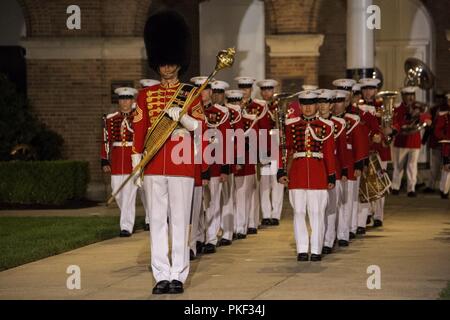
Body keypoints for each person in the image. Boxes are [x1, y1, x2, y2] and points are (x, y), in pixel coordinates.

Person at [132, 10, 203, 295]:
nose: (167, 67)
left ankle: (179, 275)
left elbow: (200, 126)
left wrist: (183, 118)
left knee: (179, 219)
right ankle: (161, 274)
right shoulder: (145, 96)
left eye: (172, 62)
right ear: (156, 63)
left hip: (180, 161)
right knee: (158, 221)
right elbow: (139, 130)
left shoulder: (191, 93)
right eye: (163, 62)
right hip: (153, 162)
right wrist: (137, 160)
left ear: (179, 62)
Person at [278, 91, 336, 262]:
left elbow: (329, 153)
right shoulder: (291, 124)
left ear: (317, 105)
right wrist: (281, 171)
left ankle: (316, 249)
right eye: (304, 104)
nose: (308, 107)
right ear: (300, 106)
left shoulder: (326, 125)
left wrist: (331, 175)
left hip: (318, 173)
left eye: (311, 104)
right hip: (297, 172)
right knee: (299, 212)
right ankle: (302, 249)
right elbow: (285, 149)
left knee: (317, 212)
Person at [101, 87, 139, 237]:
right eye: (122, 99)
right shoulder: (111, 118)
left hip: (132, 157)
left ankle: (126, 226)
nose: (125, 102)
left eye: (128, 98)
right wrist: (104, 160)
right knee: (116, 191)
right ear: (119, 101)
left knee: (129, 193)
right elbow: (106, 140)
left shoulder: (137, 117)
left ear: (132, 100)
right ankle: (127, 219)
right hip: (117, 158)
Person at [316, 89, 349, 254]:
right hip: (316, 171)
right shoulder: (312, 123)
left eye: (326, 103)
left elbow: (342, 150)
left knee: (331, 207)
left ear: (331, 105)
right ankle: (319, 238)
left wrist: (344, 170)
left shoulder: (338, 124)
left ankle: (328, 241)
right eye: (320, 102)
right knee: (317, 208)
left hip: (333, 170)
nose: (322, 106)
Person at [235, 76, 267, 236]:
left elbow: (263, 129)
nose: (244, 91)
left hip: (252, 150)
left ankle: (253, 222)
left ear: (251, 89)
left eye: (247, 88)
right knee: (239, 190)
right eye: (241, 87)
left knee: (252, 188)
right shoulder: (233, 106)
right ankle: (239, 224)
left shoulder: (258, 107)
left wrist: (264, 153)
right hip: (237, 150)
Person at [202, 79, 232, 253]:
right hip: (194, 165)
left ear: (211, 93)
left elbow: (227, 140)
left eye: (205, 90)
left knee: (213, 202)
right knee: (198, 204)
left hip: (214, 163)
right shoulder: (190, 111)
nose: (202, 94)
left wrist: (225, 168)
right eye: (199, 91)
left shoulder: (221, 113)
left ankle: (211, 238)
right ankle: (198, 237)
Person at [391, 86, 432, 197]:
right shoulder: (398, 108)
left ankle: (411, 189)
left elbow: (427, 117)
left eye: (412, 95)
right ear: (403, 96)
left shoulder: (418, 107)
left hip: (414, 140)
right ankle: (395, 187)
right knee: (398, 165)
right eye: (408, 95)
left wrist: (422, 117)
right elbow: (396, 122)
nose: (410, 98)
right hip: (401, 140)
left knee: (412, 166)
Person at [256, 79, 284, 226]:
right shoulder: (258, 108)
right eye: (264, 90)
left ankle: (276, 214)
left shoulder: (279, 107)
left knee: (277, 182)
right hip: (264, 148)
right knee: (265, 183)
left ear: (273, 91)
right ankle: (266, 214)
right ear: (261, 92)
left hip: (277, 148)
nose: (267, 93)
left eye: (269, 90)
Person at [138, 79, 161, 231]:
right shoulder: (143, 98)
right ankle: (149, 218)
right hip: (149, 153)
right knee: (150, 197)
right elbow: (139, 129)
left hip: (165, 153)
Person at [434, 93, 450, 198]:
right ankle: (444, 190)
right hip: (448, 146)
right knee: (447, 169)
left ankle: (444, 190)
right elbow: (437, 131)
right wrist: (445, 138)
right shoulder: (444, 116)